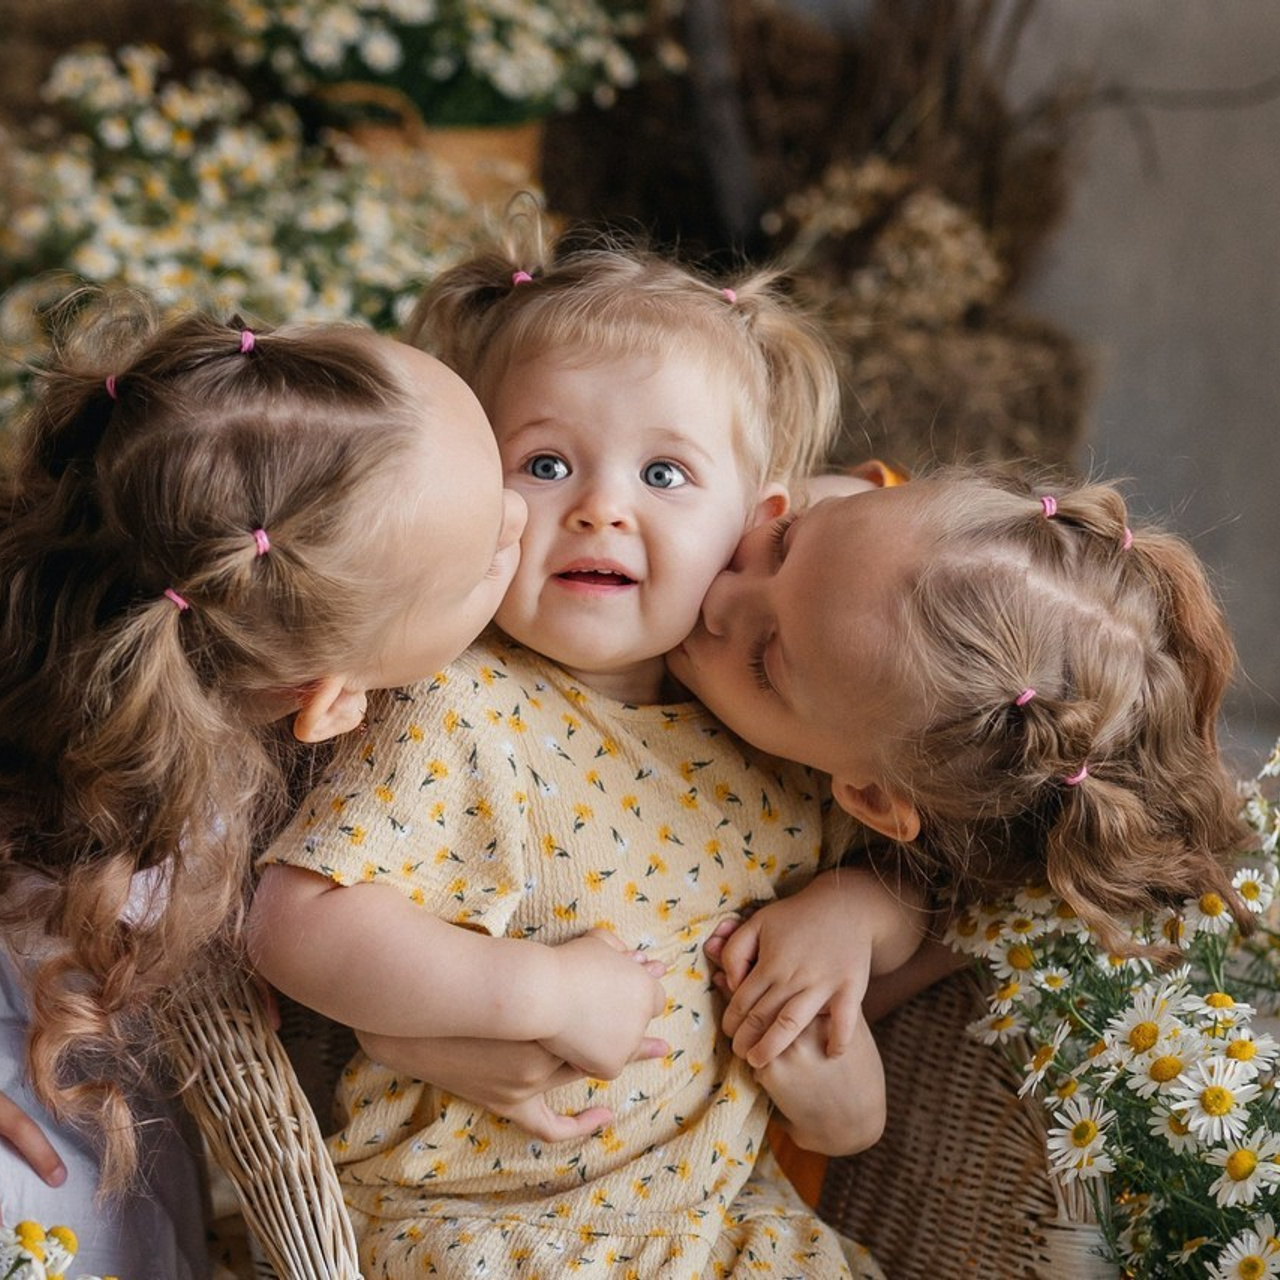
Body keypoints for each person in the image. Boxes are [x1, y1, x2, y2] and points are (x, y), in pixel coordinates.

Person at [249, 226, 905, 1278]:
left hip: (719, 1222)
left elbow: (941, 870)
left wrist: (857, 921)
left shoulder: (768, 732)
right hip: (485, 1225)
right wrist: (536, 996)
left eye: (663, 471)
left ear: (753, 521)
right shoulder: (459, 706)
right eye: (546, 463)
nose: (601, 506)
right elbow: (296, 920)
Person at [0, 292, 527, 1273]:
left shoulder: (74, 595)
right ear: (327, 703)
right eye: (481, 560)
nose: (525, 519)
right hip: (52, 1165)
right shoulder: (169, 802)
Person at [667, 468, 1254, 1077]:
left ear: (870, 796)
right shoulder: (866, 530)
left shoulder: (925, 828)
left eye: (768, 662)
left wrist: (861, 910)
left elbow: (932, 933)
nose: (717, 597)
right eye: (783, 539)